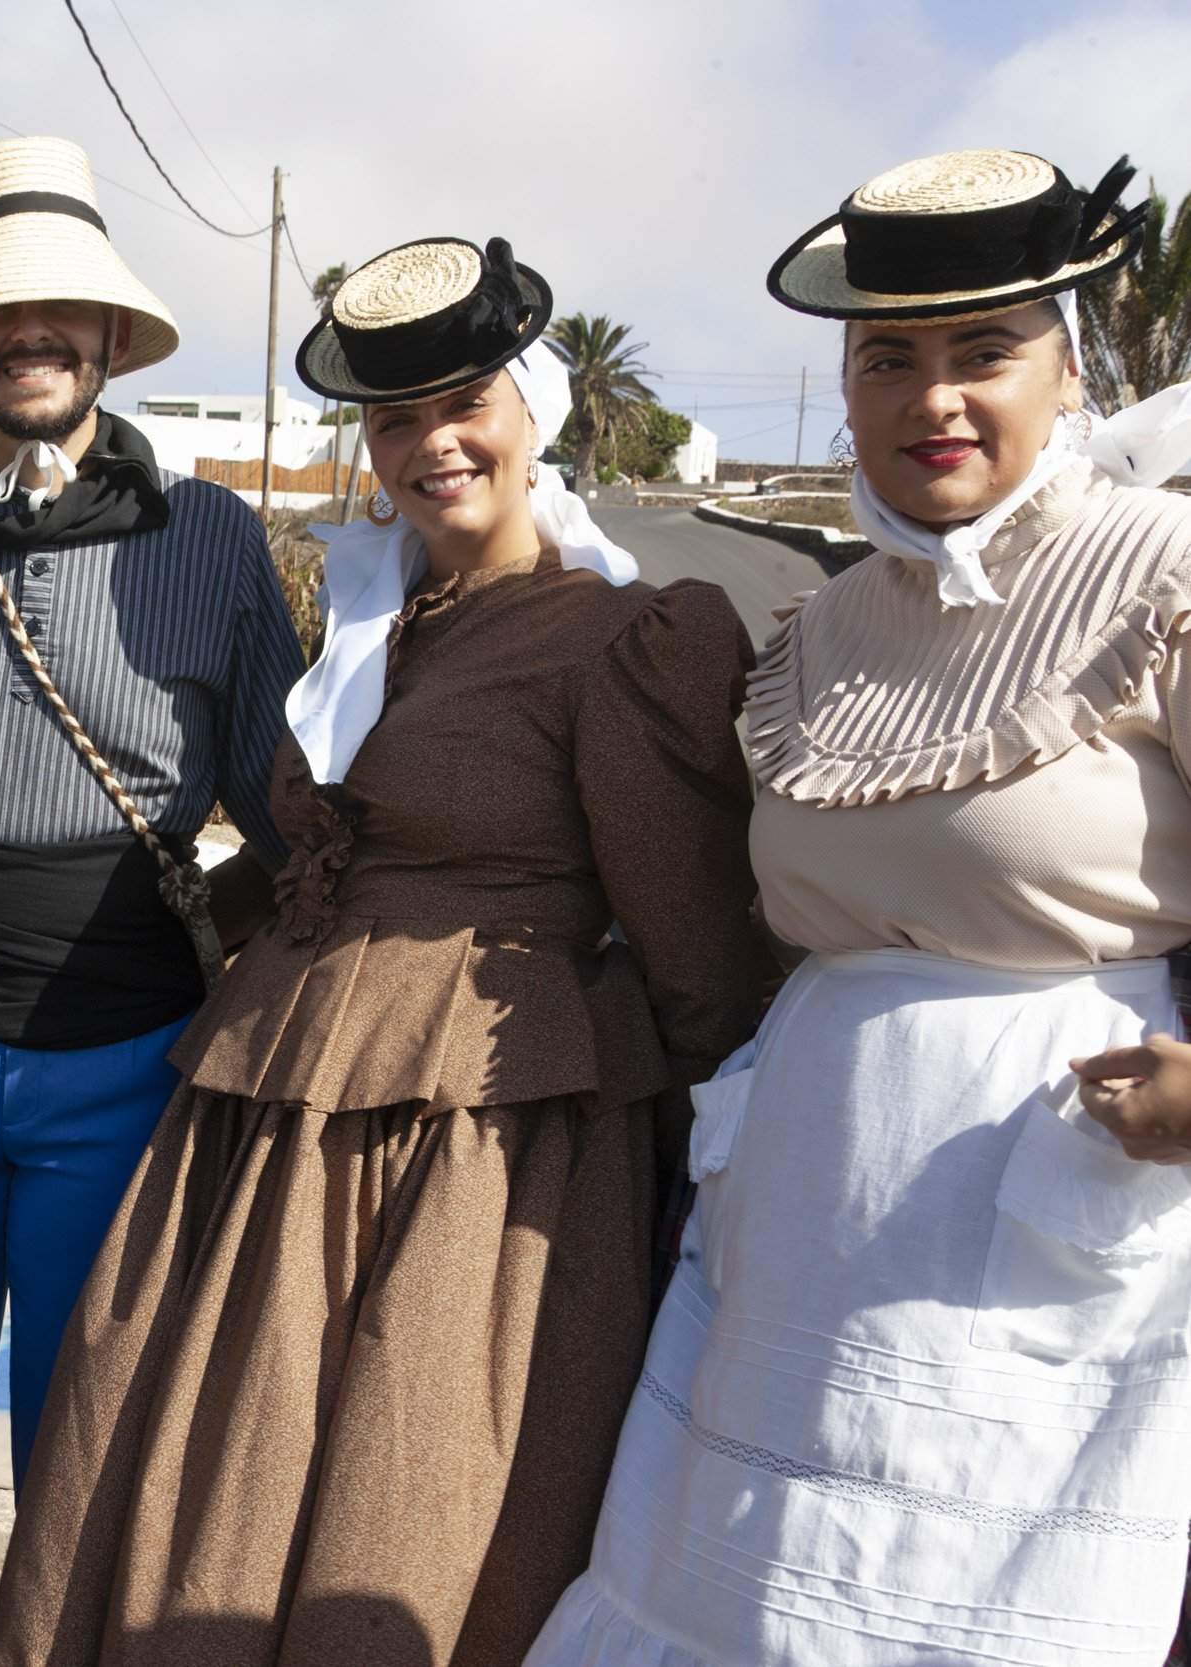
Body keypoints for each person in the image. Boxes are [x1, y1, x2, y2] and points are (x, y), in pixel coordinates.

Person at [0, 236, 765, 1667]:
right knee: (213, 1469)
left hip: (480, 1139)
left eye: (464, 404)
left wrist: (699, 1168)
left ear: (537, 413)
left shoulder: (624, 636)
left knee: (409, 1491)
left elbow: (697, 944)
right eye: (396, 419)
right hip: (280, 1110)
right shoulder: (378, 619)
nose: (430, 444)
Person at [529, 149, 1191, 1667]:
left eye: (984, 354)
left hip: (1051, 1195)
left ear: (1069, 373)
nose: (934, 398)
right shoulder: (822, 624)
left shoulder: (1161, 575)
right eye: (890, 358)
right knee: (736, 1606)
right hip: (807, 1210)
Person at [0, 134, 306, 1664]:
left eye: (59, 315)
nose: (29, 339)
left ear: (107, 336)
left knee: (85, 1396)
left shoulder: (217, 538)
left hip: (125, 1053)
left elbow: (280, 796)